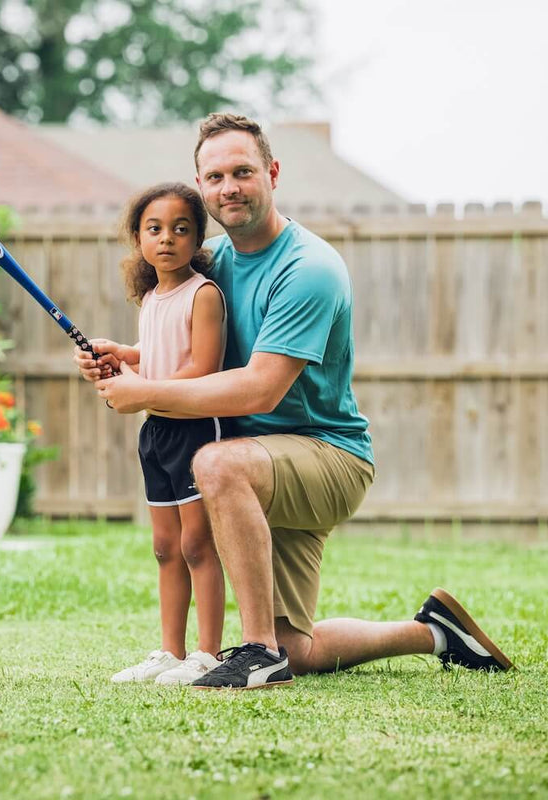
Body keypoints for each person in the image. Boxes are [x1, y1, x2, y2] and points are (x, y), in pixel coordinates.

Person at [77, 113, 513, 690]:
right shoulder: (214, 261)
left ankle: (258, 653)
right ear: (202, 189)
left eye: (242, 172)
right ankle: (435, 632)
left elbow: (261, 387)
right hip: (259, 464)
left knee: (215, 462)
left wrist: (144, 394)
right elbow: (189, 347)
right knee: (300, 648)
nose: (228, 186)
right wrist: (129, 356)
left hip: (324, 455)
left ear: (272, 173)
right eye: (215, 177)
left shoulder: (309, 268)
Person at [101, 183, 229, 686]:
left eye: (181, 229)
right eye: (154, 229)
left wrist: (141, 385)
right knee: (165, 547)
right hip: (156, 431)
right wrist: (125, 353)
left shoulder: (204, 293)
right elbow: (158, 351)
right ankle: (170, 654)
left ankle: (207, 654)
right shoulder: (153, 296)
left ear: (198, 238)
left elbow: (202, 367)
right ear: (138, 238)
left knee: (198, 545)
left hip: (196, 430)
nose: (167, 239)